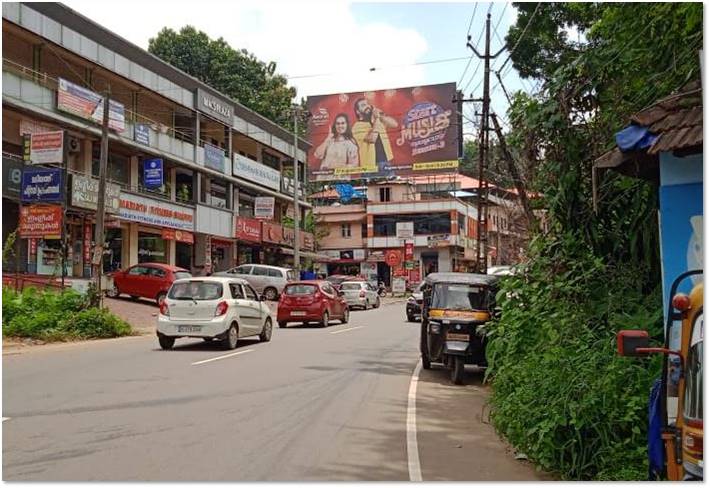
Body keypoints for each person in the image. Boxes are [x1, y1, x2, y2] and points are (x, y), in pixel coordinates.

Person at [351, 98, 398, 176]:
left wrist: (380, 116)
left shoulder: (378, 120)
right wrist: (376, 119)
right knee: (371, 187)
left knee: (392, 185)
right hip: (369, 167)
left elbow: (394, 124)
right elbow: (372, 139)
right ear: (358, 111)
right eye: (363, 105)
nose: (367, 106)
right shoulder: (357, 126)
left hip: (386, 162)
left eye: (367, 104)